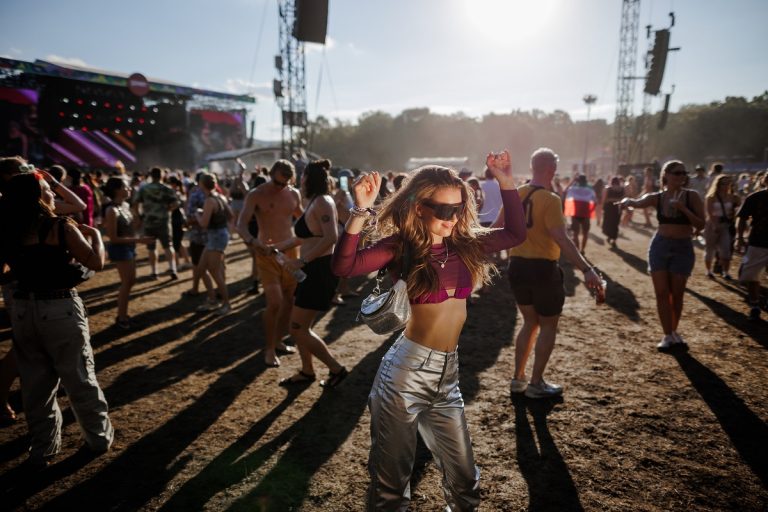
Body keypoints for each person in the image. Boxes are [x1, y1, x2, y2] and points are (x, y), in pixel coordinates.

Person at [332, 152, 527, 511]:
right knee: (391, 489)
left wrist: (505, 181)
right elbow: (344, 266)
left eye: (459, 208)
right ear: (419, 207)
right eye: (443, 210)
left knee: (465, 481)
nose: (452, 218)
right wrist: (360, 211)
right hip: (404, 376)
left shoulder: (466, 244)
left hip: (448, 376)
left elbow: (516, 233)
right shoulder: (401, 247)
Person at [0, 171, 113, 467]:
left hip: (23, 310)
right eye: (47, 189)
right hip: (59, 308)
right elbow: (95, 263)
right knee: (79, 377)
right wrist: (96, 236)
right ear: (37, 197)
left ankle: (43, 448)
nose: (52, 193)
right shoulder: (59, 227)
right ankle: (98, 438)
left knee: (35, 385)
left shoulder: (7, 229)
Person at [497, 149, 604, 399]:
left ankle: (518, 379)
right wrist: (587, 269)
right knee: (547, 325)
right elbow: (561, 239)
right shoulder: (551, 199)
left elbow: (498, 227)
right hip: (542, 269)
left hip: (517, 266)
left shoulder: (516, 193)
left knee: (529, 322)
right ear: (552, 170)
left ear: (532, 167)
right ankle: (536, 383)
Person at [617, 160, 705, 351]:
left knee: (677, 294)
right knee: (662, 293)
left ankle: (674, 330)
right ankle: (667, 335)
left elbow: (701, 224)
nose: (682, 176)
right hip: (660, 246)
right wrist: (627, 202)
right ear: (666, 176)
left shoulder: (692, 196)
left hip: (682, 247)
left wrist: (683, 209)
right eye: (677, 173)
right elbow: (638, 202)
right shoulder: (658, 197)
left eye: (684, 173)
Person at [275, 160, 347, 387]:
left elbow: (331, 237)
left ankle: (336, 369)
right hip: (311, 269)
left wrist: (302, 260)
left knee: (297, 328)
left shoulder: (323, 202)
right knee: (300, 328)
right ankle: (307, 371)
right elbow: (304, 237)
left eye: (303, 175)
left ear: (309, 178)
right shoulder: (315, 201)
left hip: (319, 269)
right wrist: (278, 246)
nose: (300, 179)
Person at [237, 160, 302, 367]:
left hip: (289, 254)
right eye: (277, 183)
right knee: (274, 302)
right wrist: (253, 242)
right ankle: (269, 349)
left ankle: (278, 341)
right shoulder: (256, 194)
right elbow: (241, 225)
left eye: (284, 184)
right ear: (271, 174)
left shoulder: (293, 194)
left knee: (289, 301)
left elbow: (303, 219)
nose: (280, 187)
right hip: (266, 255)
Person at [103, 177, 154, 329]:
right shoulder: (111, 210)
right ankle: (121, 317)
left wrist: (140, 217)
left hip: (129, 247)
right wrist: (139, 240)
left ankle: (123, 314)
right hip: (120, 249)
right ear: (117, 190)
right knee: (127, 282)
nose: (130, 189)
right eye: (126, 187)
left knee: (130, 281)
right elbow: (113, 238)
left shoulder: (125, 205)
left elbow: (132, 227)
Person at [194, 173, 232, 316]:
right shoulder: (220, 197)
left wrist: (198, 214)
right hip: (218, 235)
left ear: (202, 185)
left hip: (216, 237)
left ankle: (227, 304)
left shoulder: (209, 201)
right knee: (201, 268)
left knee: (215, 271)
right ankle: (212, 299)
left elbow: (203, 223)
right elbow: (231, 215)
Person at [133, 166, 179, 280]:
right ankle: (172, 269)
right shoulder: (166, 188)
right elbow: (175, 204)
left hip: (149, 222)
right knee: (168, 246)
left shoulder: (144, 188)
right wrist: (167, 210)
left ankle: (154, 272)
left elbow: (135, 203)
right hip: (163, 221)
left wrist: (138, 216)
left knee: (151, 248)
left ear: (151, 175)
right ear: (162, 176)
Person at [736, 173, 768, 321]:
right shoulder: (755, 197)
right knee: (752, 276)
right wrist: (739, 238)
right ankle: (755, 305)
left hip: (757, 242)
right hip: (757, 242)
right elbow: (742, 218)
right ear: (765, 180)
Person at [704, 175, 739, 279]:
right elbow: (709, 213)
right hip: (712, 225)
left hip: (726, 225)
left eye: (728, 183)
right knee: (710, 249)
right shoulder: (711, 197)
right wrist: (715, 225)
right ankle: (709, 271)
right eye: (723, 183)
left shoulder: (733, 197)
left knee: (726, 249)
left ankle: (725, 272)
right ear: (718, 184)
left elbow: (737, 211)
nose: (726, 185)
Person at [563, 174, 596, 255]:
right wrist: (591, 210)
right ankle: (582, 249)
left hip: (576, 213)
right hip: (586, 213)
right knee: (585, 233)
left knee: (576, 233)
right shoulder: (590, 188)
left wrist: (572, 181)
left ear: (578, 180)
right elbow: (595, 201)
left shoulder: (573, 188)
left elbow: (565, 191)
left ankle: (578, 250)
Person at [601, 176, 625, 248]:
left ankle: (610, 236)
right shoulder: (622, 189)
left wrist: (603, 206)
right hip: (618, 208)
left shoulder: (608, 188)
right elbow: (623, 199)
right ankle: (613, 239)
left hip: (609, 208)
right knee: (615, 224)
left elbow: (604, 199)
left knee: (608, 223)